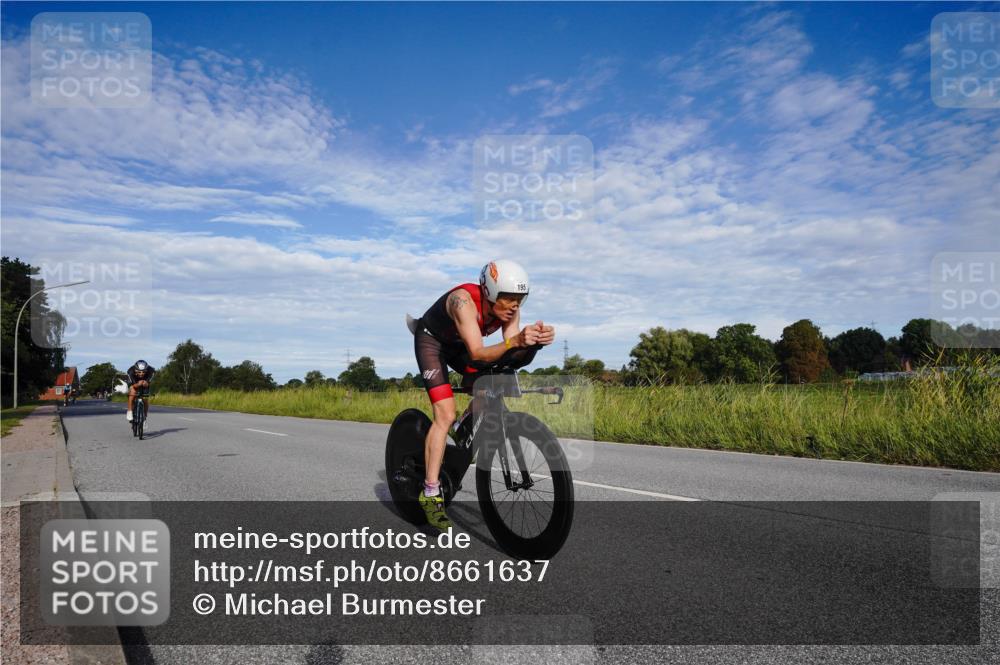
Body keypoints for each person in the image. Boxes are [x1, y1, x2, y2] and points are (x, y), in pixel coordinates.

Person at [411, 260, 555, 531]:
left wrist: (534, 344)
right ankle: (430, 492)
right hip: (433, 343)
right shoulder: (462, 302)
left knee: (491, 383)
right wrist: (516, 341)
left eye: (520, 300)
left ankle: (463, 426)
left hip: (460, 344)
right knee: (444, 414)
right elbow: (478, 353)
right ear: (488, 292)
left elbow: (511, 354)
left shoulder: (510, 311)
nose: (514, 306)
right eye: (509, 299)